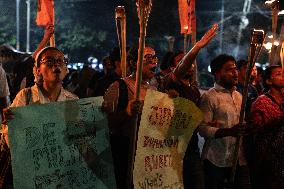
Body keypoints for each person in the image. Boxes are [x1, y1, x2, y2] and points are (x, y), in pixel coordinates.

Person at [1, 26, 78, 188]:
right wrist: (11, 124)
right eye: (49, 61)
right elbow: (10, 138)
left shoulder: (73, 100)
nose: (55, 64)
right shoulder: (25, 96)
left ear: (66, 70)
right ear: (37, 70)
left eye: (60, 61)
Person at [103, 45, 157, 189]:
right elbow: (104, 123)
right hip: (125, 154)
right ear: (133, 63)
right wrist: (126, 112)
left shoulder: (155, 89)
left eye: (154, 57)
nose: (153, 62)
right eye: (148, 57)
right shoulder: (119, 86)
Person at [198, 54, 251, 189]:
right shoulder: (210, 97)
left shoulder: (239, 96)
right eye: (229, 70)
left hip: (238, 158)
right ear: (217, 73)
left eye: (235, 69)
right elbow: (203, 129)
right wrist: (229, 131)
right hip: (216, 159)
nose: (235, 73)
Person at [250, 65, 284, 189]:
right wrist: (279, 120)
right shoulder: (261, 102)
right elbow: (256, 129)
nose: (283, 76)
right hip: (268, 157)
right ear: (268, 81)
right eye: (279, 74)